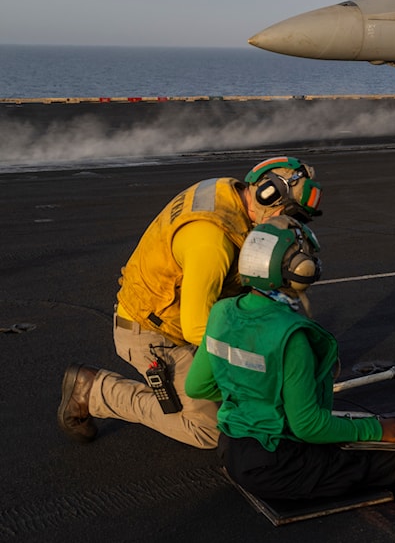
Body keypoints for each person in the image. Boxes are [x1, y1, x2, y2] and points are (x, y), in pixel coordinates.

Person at [185, 216, 395, 512]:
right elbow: (308, 426)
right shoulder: (292, 336)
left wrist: (256, 404)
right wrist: (376, 430)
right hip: (280, 468)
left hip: (233, 452)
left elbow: (197, 386)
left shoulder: (222, 312)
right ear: (297, 269)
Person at [57, 156, 323, 448]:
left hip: (173, 311)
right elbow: (195, 327)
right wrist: (260, 357)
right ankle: (95, 391)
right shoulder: (212, 241)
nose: (291, 226)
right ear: (268, 194)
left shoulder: (228, 193)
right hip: (156, 335)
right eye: (292, 215)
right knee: (210, 429)